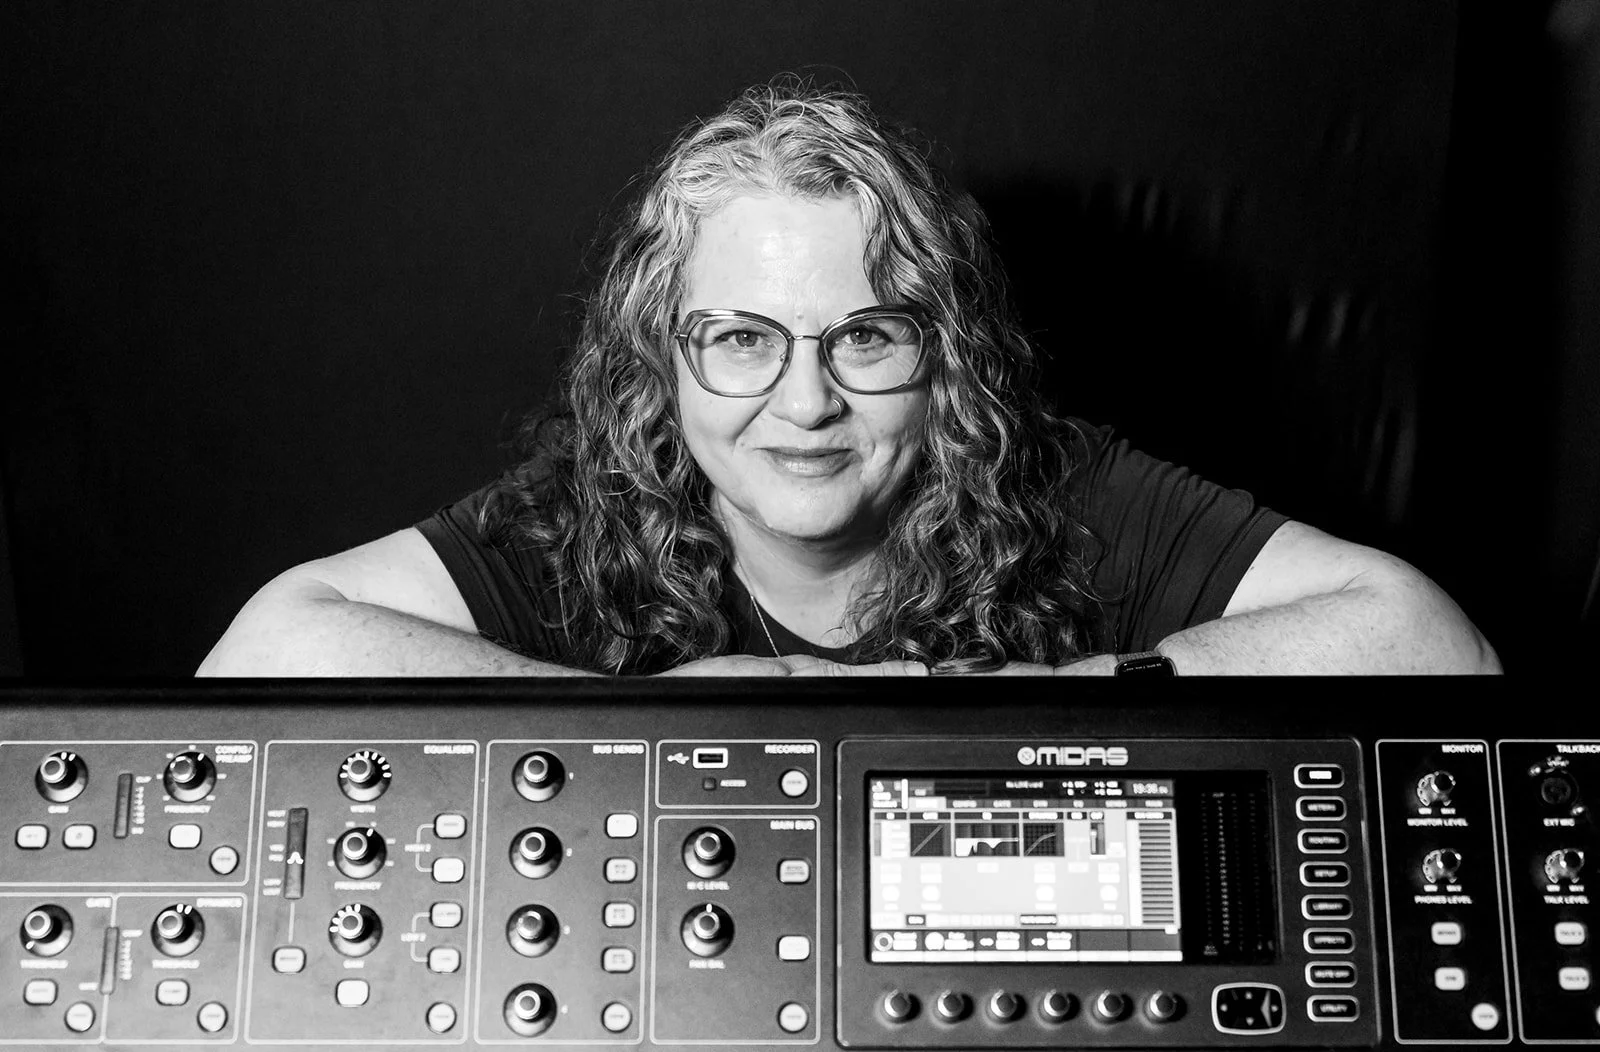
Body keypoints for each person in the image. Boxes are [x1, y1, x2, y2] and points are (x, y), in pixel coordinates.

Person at [197, 79, 1500, 678]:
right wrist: (641, 726)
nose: (807, 401)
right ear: (662, 359)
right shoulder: (580, 516)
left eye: (867, 337)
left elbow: (1434, 642)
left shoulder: (1061, 489)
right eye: (741, 338)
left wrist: (1069, 703)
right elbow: (265, 650)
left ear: (947, 356)